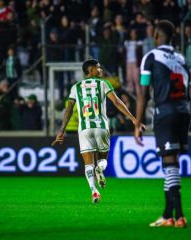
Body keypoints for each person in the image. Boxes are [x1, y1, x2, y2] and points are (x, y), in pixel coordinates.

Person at [52, 59, 145, 204]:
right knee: (102, 160)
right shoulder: (103, 84)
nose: (100, 70)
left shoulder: (75, 87)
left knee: (88, 164)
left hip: (84, 129)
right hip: (101, 127)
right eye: (97, 68)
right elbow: (117, 102)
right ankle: (100, 169)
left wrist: (61, 130)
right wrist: (134, 120)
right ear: (89, 71)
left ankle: (94, 191)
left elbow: (69, 109)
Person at [135, 20, 190, 228]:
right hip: (184, 111)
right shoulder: (182, 58)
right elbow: (189, 89)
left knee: (169, 162)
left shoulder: (151, 57)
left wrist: (137, 122)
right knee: (172, 163)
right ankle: (167, 215)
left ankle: (180, 215)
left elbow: (143, 91)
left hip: (165, 112)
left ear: (157, 36)